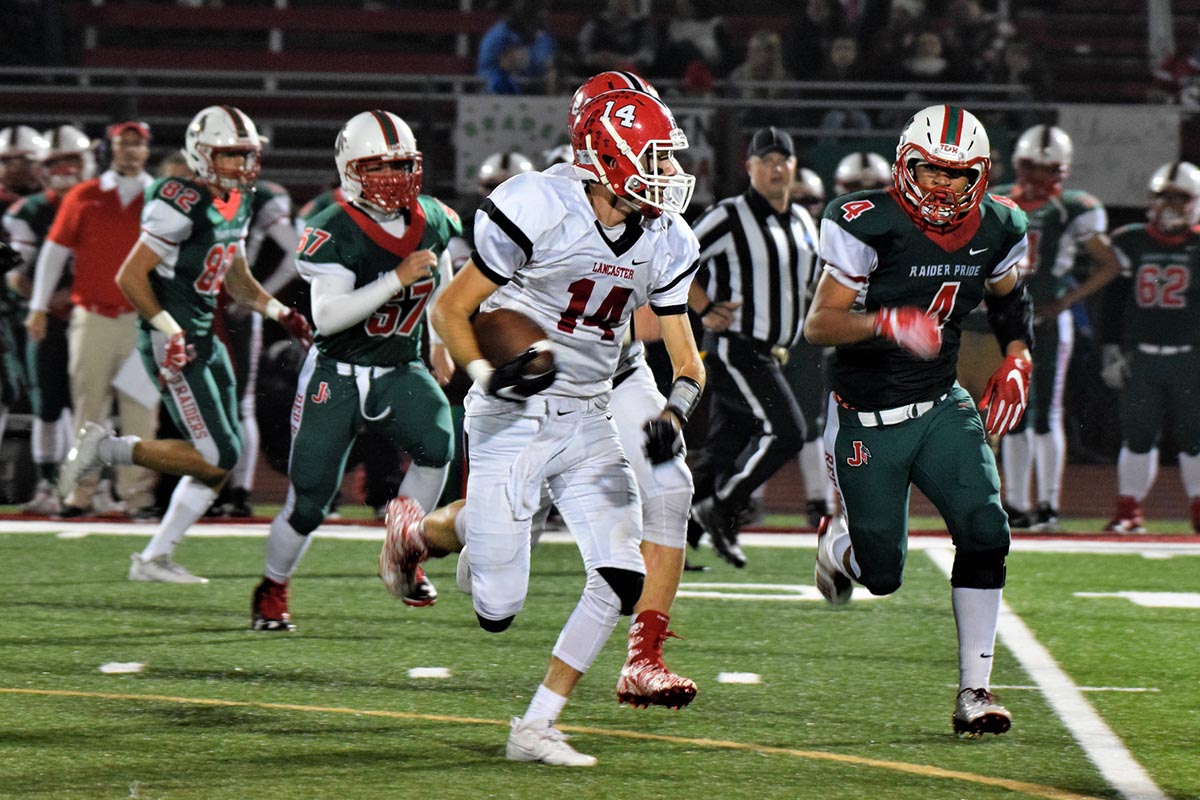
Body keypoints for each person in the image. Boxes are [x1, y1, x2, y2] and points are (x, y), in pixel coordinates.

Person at [380, 89, 704, 766]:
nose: (668, 174)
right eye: (654, 159)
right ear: (607, 159)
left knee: (617, 574)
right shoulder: (539, 205)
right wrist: (486, 376)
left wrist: (676, 412)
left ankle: (537, 725)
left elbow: (688, 361)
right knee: (497, 607)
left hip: (589, 415)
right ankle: (436, 528)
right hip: (514, 410)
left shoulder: (668, 237)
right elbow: (452, 307)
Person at [804, 104, 1032, 737]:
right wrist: (885, 321)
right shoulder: (865, 222)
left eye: (957, 177)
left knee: (986, 530)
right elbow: (819, 324)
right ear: (905, 164)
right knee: (883, 577)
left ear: (980, 178)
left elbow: (1012, 301)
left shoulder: (1001, 223)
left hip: (941, 405)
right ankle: (838, 543)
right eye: (929, 171)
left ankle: (975, 691)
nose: (942, 187)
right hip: (867, 416)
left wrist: (1018, 360)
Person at [56, 106, 313, 583]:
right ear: (201, 154)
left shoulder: (236, 200)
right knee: (217, 453)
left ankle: (154, 558)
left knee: (222, 457)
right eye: (230, 154)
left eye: (246, 154)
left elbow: (237, 282)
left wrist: (282, 312)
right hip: (171, 339)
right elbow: (130, 276)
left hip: (204, 336)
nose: (241, 164)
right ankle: (104, 450)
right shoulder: (180, 198)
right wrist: (169, 330)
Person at [249, 110, 460, 630]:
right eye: (378, 167)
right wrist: (395, 279)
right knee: (311, 503)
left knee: (439, 444)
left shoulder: (434, 216)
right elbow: (328, 315)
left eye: (401, 166)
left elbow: (443, 275)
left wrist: (440, 340)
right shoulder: (331, 226)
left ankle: (402, 550)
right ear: (349, 169)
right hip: (335, 374)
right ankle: (272, 587)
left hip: (398, 365)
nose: (392, 179)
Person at [686, 126, 818, 567]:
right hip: (736, 348)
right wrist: (704, 308)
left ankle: (672, 536)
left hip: (774, 353)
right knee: (788, 433)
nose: (777, 168)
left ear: (795, 167)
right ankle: (723, 509)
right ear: (750, 167)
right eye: (768, 160)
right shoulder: (729, 215)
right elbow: (675, 257)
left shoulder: (802, 221)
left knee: (721, 452)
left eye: (784, 159)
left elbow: (812, 282)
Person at [28, 121, 160, 519]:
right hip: (94, 316)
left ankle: (137, 497)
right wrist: (37, 306)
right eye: (124, 144)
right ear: (111, 149)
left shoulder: (161, 197)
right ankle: (80, 494)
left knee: (141, 413)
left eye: (137, 145)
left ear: (147, 150)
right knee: (89, 411)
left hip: (143, 319)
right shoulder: (85, 195)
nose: (130, 152)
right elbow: (53, 252)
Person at [992, 125, 1121, 531]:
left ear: (1061, 171)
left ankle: (1047, 505)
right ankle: (1014, 503)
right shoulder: (994, 200)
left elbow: (1110, 264)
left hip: (1049, 320)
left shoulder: (1073, 207)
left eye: (1047, 169)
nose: (1037, 177)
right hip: (1006, 320)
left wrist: (1066, 300)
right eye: (1031, 166)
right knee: (1011, 411)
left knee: (1047, 411)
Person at [1100, 162, 1200, 533]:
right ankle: (1129, 510)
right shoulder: (1131, 239)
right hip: (1141, 355)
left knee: (1195, 439)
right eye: (1163, 196)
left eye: (1180, 197)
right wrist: (1111, 347)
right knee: (1138, 436)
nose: (1171, 205)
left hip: (1191, 356)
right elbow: (1115, 300)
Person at [4, 125, 93, 514]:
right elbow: (17, 274)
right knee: (46, 404)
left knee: (91, 406)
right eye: (54, 164)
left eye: (70, 161)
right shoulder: (29, 210)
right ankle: (46, 484)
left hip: (94, 315)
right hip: (42, 316)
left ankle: (86, 486)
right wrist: (47, 300)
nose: (63, 170)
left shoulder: (100, 201)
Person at [784, 165, 833, 526]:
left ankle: (819, 498)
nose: (804, 206)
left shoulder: (829, 238)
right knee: (757, 419)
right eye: (798, 199)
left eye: (810, 200)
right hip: (767, 336)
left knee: (813, 420)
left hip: (808, 340)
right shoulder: (763, 231)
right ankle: (742, 498)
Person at [476, 0, 557, 95]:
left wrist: (552, 67)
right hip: (496, 93)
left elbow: (546, 61)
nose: (542, 15)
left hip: (532, 95)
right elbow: (507, 64)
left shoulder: (542, 39)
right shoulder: (499, 35)